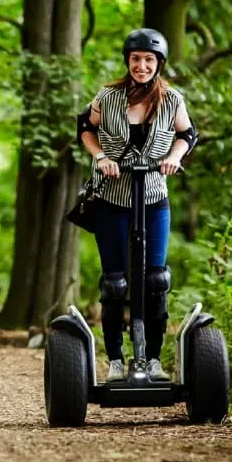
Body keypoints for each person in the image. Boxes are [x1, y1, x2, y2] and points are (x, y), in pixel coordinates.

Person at [75, 28, 197, 382]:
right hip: (112, 199)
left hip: (153, 199)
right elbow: (85, 127)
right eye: (135, 60)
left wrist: (175, 157)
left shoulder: (172, 100)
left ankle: (153, 359)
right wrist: (100, 156)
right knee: (116, 283)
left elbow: (187, 134)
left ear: (159, 63)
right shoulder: (108, 97)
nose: (141, 66)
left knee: (155, 280)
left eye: (148, 60)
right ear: (127, 62)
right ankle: (115, 360)